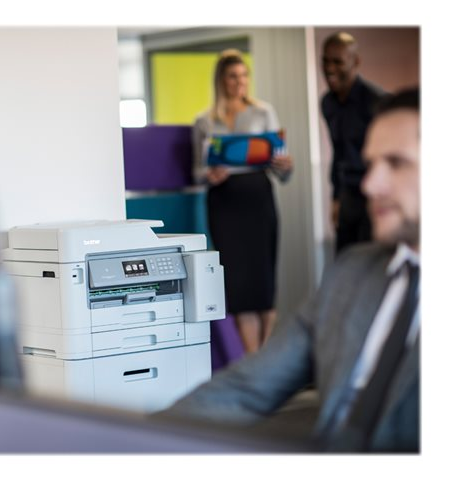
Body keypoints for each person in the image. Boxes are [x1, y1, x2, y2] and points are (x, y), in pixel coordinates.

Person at [163, 88, 421, 452]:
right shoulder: (352, 274)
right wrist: (127, 441)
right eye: (371, 164)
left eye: (396, 163)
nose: (369, 184)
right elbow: (245, 389)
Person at [192, 49, 293, 353]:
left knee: (264, 283)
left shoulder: (263, 112)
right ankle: (253, 359)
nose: (240, 82)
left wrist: (285, 165)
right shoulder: (204, 121)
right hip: (224, 204)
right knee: (238, 286)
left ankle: (264, 360)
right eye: (233, 77)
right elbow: (196, 172)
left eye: (244, 75)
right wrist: (209, 175)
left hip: (258, 199)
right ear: (221, 80)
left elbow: (283, 172)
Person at [321, 32, 388, 253]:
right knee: (345, 258)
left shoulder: (377, 101)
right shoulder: (327, 103)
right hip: (347, 194)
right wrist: (336, 198)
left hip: (373, 194)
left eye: (337, 62)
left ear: (355, 62)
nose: (329, 68)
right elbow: (338, 151)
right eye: (325, 61)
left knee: (373, 260)